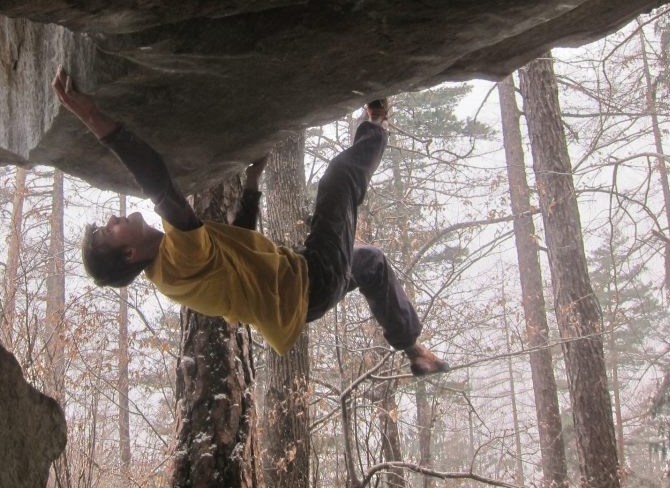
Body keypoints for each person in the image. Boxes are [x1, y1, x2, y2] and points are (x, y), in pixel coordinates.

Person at [53, 67, 449, 375]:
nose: (112, 217)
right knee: (338, 181)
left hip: (303, 292)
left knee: (372, 263)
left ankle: (414, 351)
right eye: (109, 230)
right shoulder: (176, 259)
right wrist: (91, 115)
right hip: (310, 281)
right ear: (128, 253)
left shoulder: (176, 268)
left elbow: (239, 245)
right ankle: (376, 121)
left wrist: (253, 184)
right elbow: (157, 179)